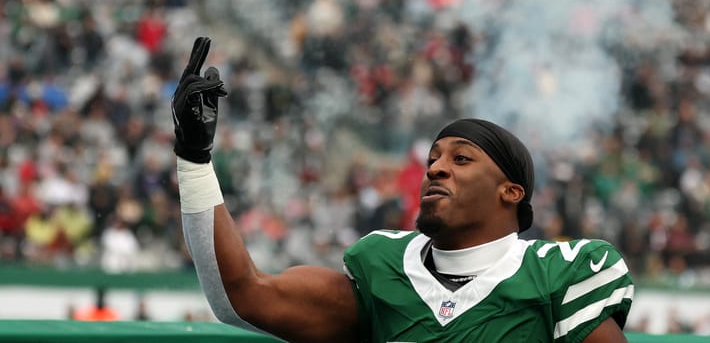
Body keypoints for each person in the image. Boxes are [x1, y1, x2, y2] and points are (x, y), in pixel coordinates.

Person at [172, 37, 634, 342]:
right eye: (433, 159)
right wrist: (194, 157)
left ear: (511, 192)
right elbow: (243, 296)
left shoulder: (560, 273)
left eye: (461, 158)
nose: (436, 169)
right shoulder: (383, 268)